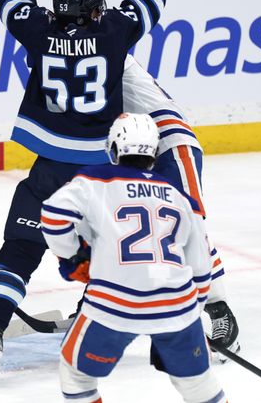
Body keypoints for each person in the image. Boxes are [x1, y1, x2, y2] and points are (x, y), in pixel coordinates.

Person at [0, 0, 165, 382]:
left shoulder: (41, 31)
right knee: (104, 253)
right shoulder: (112, 32)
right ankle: (89, 324)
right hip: (101, 173)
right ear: (93, 13)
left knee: (20, 252)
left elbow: (14, 4)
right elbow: (150, 0)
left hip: (48, 170)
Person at [41, 113, 226, 403]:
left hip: (114, 304)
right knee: (199, 386)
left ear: (113, 148)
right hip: (176, 305)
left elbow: (53, 216)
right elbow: (202, 268)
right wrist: (192, 314)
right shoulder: (180, 195)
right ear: (153, 153)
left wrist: (72, 259)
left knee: (76, 377)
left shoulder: (94, 179)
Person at [122, 56, 241, 360]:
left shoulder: (108, 41)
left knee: (190, 228)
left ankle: (219, 310)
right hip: (133, 150)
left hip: (169, 143)